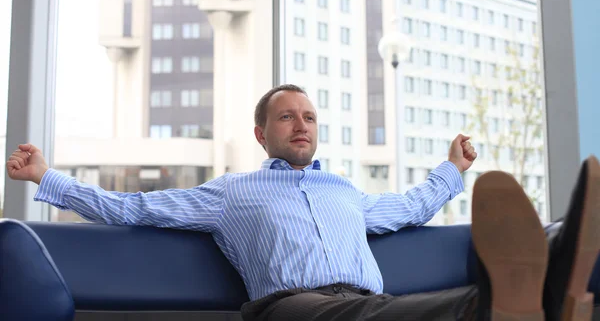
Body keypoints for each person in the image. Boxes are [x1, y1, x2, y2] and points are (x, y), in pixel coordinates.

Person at [5, 84, 600, 321]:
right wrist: (47, 177)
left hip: (371, 305)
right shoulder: (230, 193)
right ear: (262, 134)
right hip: (287, 308)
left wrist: (453, 169)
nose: (301, 124)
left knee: (378, 313)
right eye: (287, 116)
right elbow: (134, 209)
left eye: (310, 116)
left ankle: (556, 255)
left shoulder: (346, 193)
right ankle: (508, 301)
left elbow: (410, 207)